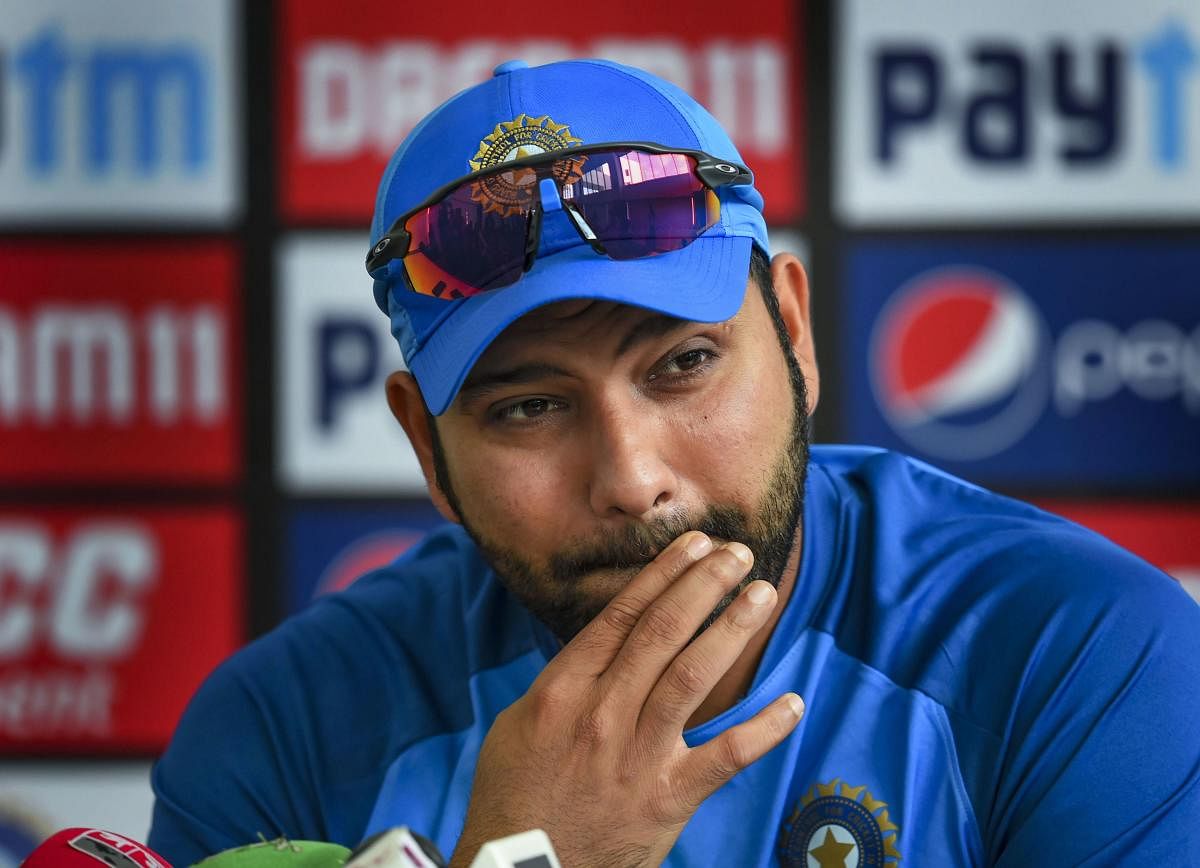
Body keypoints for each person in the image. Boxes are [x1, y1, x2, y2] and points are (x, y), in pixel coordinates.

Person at [148, 58, 1200, 867]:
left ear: (794, 333)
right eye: (527, 406)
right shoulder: (278, 734)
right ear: (427, 445)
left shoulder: (1081, 655)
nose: (633, 475)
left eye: (685, 363)